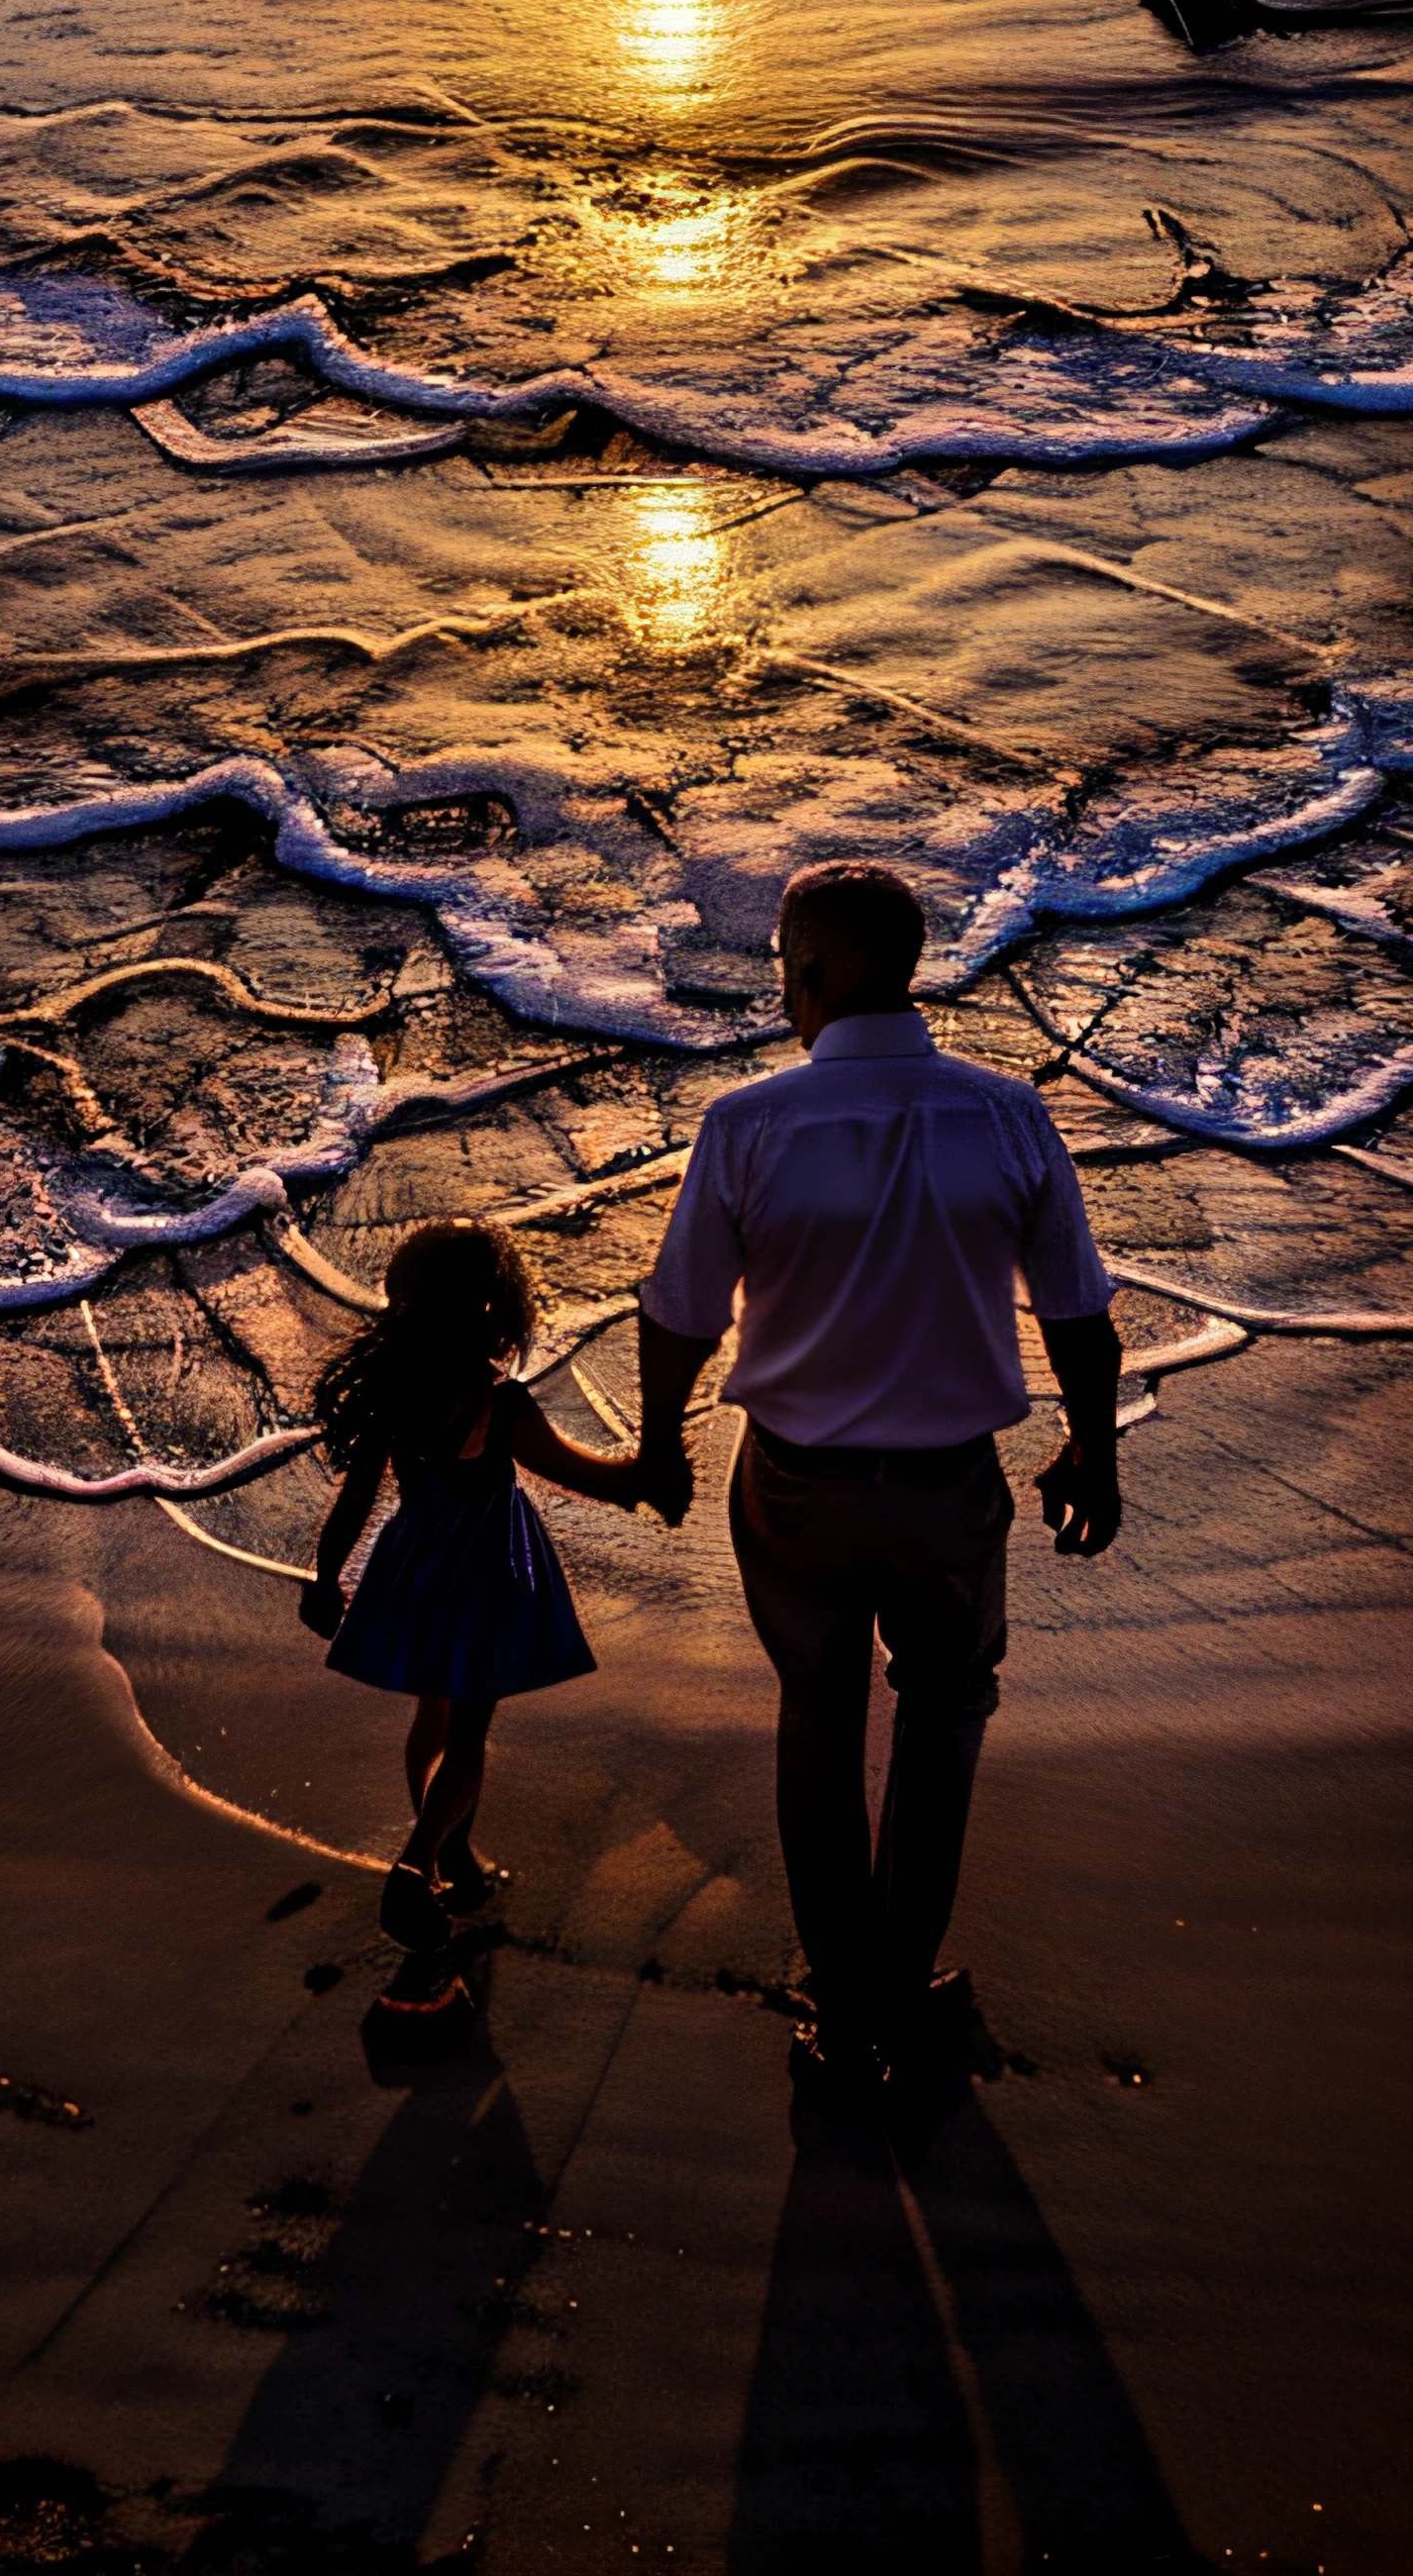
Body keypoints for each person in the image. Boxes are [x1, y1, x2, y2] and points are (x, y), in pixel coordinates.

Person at [634, 857, 1122, 2105]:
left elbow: (680, 1313)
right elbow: (1077, 1309)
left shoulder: (746, 1123)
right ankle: (903, 1972)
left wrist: (656, 1442)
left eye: (786, 963)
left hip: (796, 1483)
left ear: (805, 974)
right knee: (946, 1705)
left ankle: (843, 1994)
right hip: (950, 1486)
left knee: (820, 1709)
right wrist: (1093, 1446)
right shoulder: (1007, 1113)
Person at [300, 1220, 644, 1951]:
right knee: (470, 1735)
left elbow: (357, 1497)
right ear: (493, 1306)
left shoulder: (395, 1388)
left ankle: (452, 1854)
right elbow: (582, 1476)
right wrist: (651, 1473)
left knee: (431, 1714)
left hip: (415, 1565)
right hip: (486, 1576)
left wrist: (325, 1575)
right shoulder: (499, 1400)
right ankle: (416, 1865)